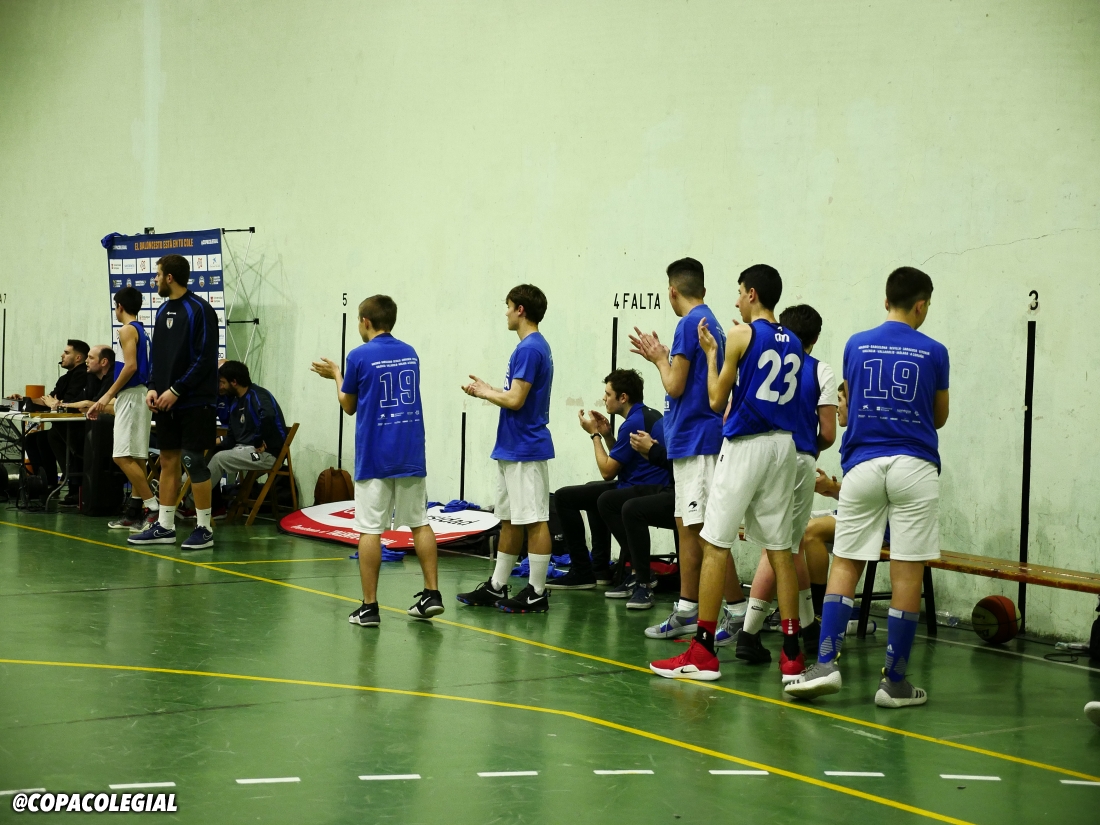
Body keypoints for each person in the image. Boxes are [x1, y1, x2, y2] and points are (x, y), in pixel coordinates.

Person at [786, 266, 949, 708]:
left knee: (845, 563)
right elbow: (938, 417)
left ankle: (825, 664)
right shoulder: (935, 351)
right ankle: (893, 682)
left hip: (863, 465)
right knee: (907, 572)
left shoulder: (856, 344)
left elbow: (853, 404)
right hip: (914, 465)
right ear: (921, 306)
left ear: (885, 301)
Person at [650, 264, 803, 683]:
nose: (735, 301)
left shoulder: (741, 334)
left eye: (739, 292)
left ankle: (702, 649)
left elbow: (717, 400)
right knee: (780, 551)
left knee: (714, 543)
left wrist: (713, 355)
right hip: (784, 445)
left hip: (747, 443)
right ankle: (792, 655)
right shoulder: (794, 341)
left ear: (752, 294)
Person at [630, 258, 747, 646]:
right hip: (693, 442)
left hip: (699, 442)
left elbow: (674, 385)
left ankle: (737, 610)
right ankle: (686, 608)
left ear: (672, 291)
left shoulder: (687, 323)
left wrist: (659, 359)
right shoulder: (711, 321)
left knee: (706, 533)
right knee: (688, 528)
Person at [311, 295, 444, 625]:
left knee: (369, 530)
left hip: (375, 454)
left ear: (365, 321)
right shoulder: (410, 352)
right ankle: (432, 593)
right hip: (410, 451)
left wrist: (337, 374)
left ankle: (369, 606)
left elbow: (348, 405)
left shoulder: (358, 355)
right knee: (420, 522)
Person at [736, 305, 838, 665]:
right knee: (780, 547)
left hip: (759, 455)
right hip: (796, 458)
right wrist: (809, 447)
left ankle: (806, 627)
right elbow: (828, 433)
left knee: (786, 546)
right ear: (815, 338)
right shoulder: (819, 370)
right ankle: (750, 633)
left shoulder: (761, 356)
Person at [457, 284, 555, 613]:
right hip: (512, 447)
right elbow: (514, 394)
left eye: (509, 306)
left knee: (535, 520)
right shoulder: (531, 347)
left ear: (520, 310)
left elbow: (515, 400)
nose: (506, 312)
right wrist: (490, 388)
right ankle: (497, 586)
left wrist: (485, 393)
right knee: (510, 519)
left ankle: (537, 591)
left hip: (526, 447)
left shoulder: (530, 348)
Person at [545, 369, 669, 606]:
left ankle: (585, 571)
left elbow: (607, 470)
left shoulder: (633, 423)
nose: (604, 398)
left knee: (565, 497)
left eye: (608, 394)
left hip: (648, 488)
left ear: (623, 397)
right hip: (640, 482)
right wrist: (608, 435)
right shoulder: (644, 414)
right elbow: (622, 458)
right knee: (591, 490)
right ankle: (600, 569)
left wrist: (594, 435)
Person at [128, 254, 220, 551]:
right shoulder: (162, 310)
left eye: (157, 275)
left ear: (169, 277)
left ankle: (204, 529)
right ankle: (165, 526)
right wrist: (154, 387)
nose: (154, 280)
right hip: (166, 402)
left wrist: (177, 390)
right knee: (168, 460)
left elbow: (205, 358)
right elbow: (157, 356)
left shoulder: (200, 309)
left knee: (193, 461)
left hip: (195, 401)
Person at [88, 287, 158, 532]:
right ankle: (134, 512)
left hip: (132, 394)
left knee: (120, 456)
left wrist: (107, 395)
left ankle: (153, 507)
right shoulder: (141, 330)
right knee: (138, 458)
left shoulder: (127, 330)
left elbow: (130, 367)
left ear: (119, 306)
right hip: (139, 395)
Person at [209, 360, 288, 514]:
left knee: (219, 459)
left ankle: (191, 503)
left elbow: (268, 416)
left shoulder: (258, 395)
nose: (221, 387)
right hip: (244, 449)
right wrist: (210, 444)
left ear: (234, 382)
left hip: (266, 454)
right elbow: (231, 438)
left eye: (223, 382)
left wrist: (258, 440)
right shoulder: (235, 402)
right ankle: (183, 494)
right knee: (209, 454)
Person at [23, 340, 91, 493]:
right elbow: (49, 400)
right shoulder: (65, 378)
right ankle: (45, 482)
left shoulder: (82, 375)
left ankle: (70, 485)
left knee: (49, 437)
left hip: (78, 428)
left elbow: (66, 402)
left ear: (78, 357)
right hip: (63, 427)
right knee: (32, 439)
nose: (62, 355)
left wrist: (55, 403)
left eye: (66, 353)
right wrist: (25, 400)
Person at [52, 345, 115, 505]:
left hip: (111, 430)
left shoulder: (113, 378)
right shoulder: (92, 378)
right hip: (96, 426)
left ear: (104, 362)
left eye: (91, 358)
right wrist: (65, 404)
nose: (86, 361)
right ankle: (63, 484)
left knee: (64, 434)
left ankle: (77, 486)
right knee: (55, 433)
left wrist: (62, 405)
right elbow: (82, 402)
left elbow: (91, 405)